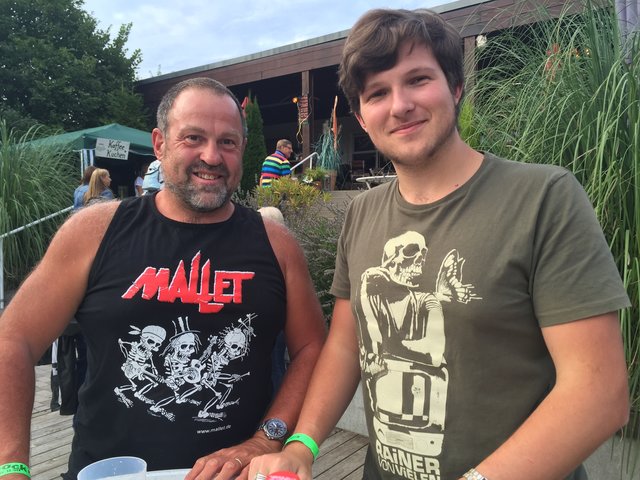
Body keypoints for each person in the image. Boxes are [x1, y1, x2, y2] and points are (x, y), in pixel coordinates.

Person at [248, 8, 630, 480]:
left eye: (418, 79)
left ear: (455, 87)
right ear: (362, 119)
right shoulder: (362, 213)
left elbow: (598, 393)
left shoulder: (543, 198)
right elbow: (347, 346)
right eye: (377, 93)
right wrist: (302, 446)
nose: (400, 105)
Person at [0, 77, 325, 480]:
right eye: (193, 138)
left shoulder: (276, 244)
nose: (212, 156)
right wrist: (11, 467)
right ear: (159, 144)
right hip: (111, 473)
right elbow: (15, 338)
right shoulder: (95, 231)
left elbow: (312, 347)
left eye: (227, 142)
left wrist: (267, 438)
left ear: (242, 149)